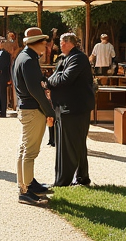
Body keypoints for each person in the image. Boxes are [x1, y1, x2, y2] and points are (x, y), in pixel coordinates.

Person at [47, 32, 95, 187]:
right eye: (60, 42)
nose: (60, 45)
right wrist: (52, 80)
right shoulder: (64, 58)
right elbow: (56, 76)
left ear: (70, 43)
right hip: (64, 107)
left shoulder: (78, 58)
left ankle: (63, 181)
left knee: (70, 146)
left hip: (74, 108)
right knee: (76, 144)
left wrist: (49, 82)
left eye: (63, 42)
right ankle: (82, 177)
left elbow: (64, 79)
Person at [13, 27, 55, 204]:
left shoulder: (24, 57)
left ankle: (27, 184)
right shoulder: (28, 60)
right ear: (34, 43)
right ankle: (25, 190)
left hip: (26, 107)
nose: (46, 46)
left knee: (25, 149)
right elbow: (35, 90)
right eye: (43, 42)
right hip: (32, 109)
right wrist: (49, 111)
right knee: (30, 152)